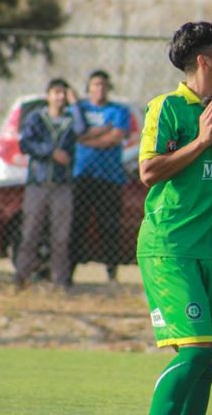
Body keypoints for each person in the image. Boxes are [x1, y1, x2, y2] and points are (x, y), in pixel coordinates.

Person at [137, 21, 212, 415]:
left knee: (207, 361)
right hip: (170, 249)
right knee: (196, 352)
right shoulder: (168, 107)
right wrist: (200, 142)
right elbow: (148, 172)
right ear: (204, 60)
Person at [15, 78, 86, 291]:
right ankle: (21, 277)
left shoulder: (70, 120)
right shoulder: (36, 118)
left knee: (61, 236)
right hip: (38, 182)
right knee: (30, 232)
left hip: (62, 185)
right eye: (56, 92)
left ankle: (60, 280)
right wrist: (51, 152)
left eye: (63, 93)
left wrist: (75, 103)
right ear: (48, 95)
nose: (60, 97)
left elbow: (82, 129)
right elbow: (25, 143)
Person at [71, 69, 131, 283]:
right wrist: (102, 130)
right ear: (88, 88)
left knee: (109, 227)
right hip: (82, 177)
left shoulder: (119, 110)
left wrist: (85, 140)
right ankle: (69, 273)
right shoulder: (78, 109)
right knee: (77, 224)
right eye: (96, 84)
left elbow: (114, 138)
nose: (100, 88)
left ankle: (111, 273)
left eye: (104, 85)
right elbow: (73, 133)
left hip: (110, 178)